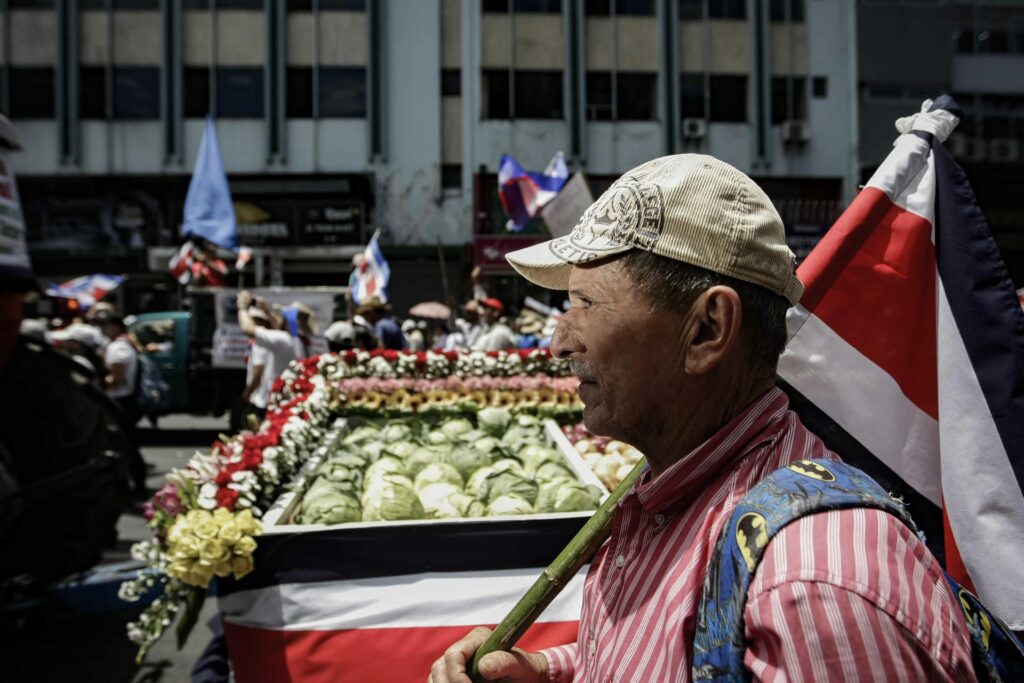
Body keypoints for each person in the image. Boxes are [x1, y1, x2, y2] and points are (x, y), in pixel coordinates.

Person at [430, 155, 976, 682]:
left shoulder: (811, 591)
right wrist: (551, 672)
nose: (559, 342)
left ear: (708, 329)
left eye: (586, 304)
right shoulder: (668, 488)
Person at [236, 291, 301, 416]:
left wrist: (242, 307)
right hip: (282, 398)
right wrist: (266, 311)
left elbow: (247, 329)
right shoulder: (296, 341)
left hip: (268, 401)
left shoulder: (278, 340)